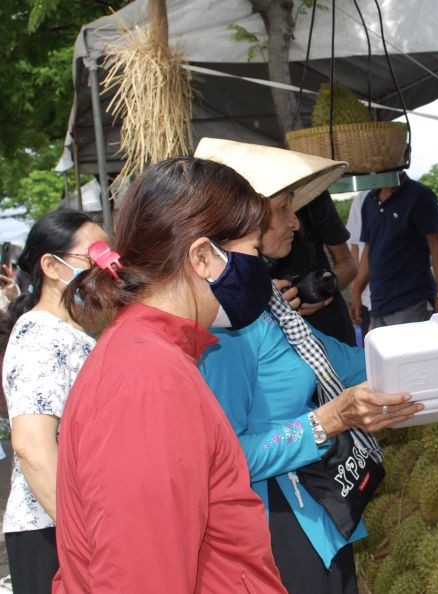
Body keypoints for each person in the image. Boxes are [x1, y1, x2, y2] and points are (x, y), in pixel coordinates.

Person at [196, 138, 422, 593]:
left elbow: (351, 363)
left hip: (318, 510)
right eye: (284, 208)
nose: (296, 222)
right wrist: (325, 422)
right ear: (251, 218)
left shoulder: (269, 309)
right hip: (276, 528)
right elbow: (226, 458)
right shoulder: (227, 328)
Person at [53, 158, 287, 592]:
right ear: (202, 256)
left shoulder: (154, 358)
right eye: (253, 251)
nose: (261, 270)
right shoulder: (148, 379)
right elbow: (141, 578)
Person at [0, 209, 107, 594]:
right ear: (51, 265)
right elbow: (31, 446)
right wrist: (83, 534)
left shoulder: (74, 329)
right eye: (94, 257)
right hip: (52, 529)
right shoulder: (39, 334)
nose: (106, 267)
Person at [348, 156, 438, 329]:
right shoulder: (368, 201)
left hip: (412, 299)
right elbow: (368, 250)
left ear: (404, 155)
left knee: (411, 355)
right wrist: (356, 292)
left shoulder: (420, 195)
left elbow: (437, 247)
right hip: (378, 303)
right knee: (379, 355)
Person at [270, 191, 357, 345]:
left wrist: (326, 287)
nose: (295, 224)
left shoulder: (315, 198)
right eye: (283, 208)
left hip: (332, 332)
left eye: (292, 206)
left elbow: (348, 263)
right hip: (277, 341)